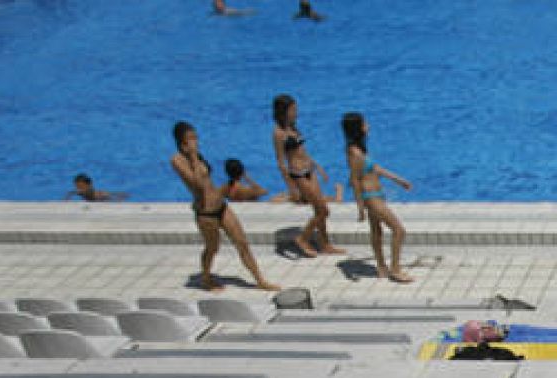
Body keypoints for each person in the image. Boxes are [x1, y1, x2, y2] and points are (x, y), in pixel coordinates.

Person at [167, 122, 278, 293]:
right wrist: (194, 155)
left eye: (196, 137)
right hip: (206, 213)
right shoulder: (178, 160)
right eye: (191, 138)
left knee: (242, 243)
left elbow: (208, 183)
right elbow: (197, 184)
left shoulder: (196, 157)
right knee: (212, 248)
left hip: (221, 207)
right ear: (181, 141)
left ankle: (260, 280)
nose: (195, 141)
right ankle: (205, 278)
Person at [344, 112, 415, 284]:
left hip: (377, 194)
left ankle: (382, 267)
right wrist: (360, 208)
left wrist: (399, 180)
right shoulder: (354, 152)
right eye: (365, 124)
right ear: (358, 128)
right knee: (399, 230)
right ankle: (395, 270)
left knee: (377, 231)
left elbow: (376, 169)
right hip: (371, 197)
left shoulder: (360, 149)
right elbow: (354, 180)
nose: (368, 126)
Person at [272, 94, 342, 259]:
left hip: (310, 170)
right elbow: (281, 162)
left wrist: (317, 166)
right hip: (299, 175)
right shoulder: (278, 133)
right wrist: (292, 188)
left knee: (319, 208)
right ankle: (302, 239)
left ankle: (324, 244)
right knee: (324, 211)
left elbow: (301, 151)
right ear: (284, 111)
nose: (296, 112)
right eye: (293, 110)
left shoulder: (293, 127)